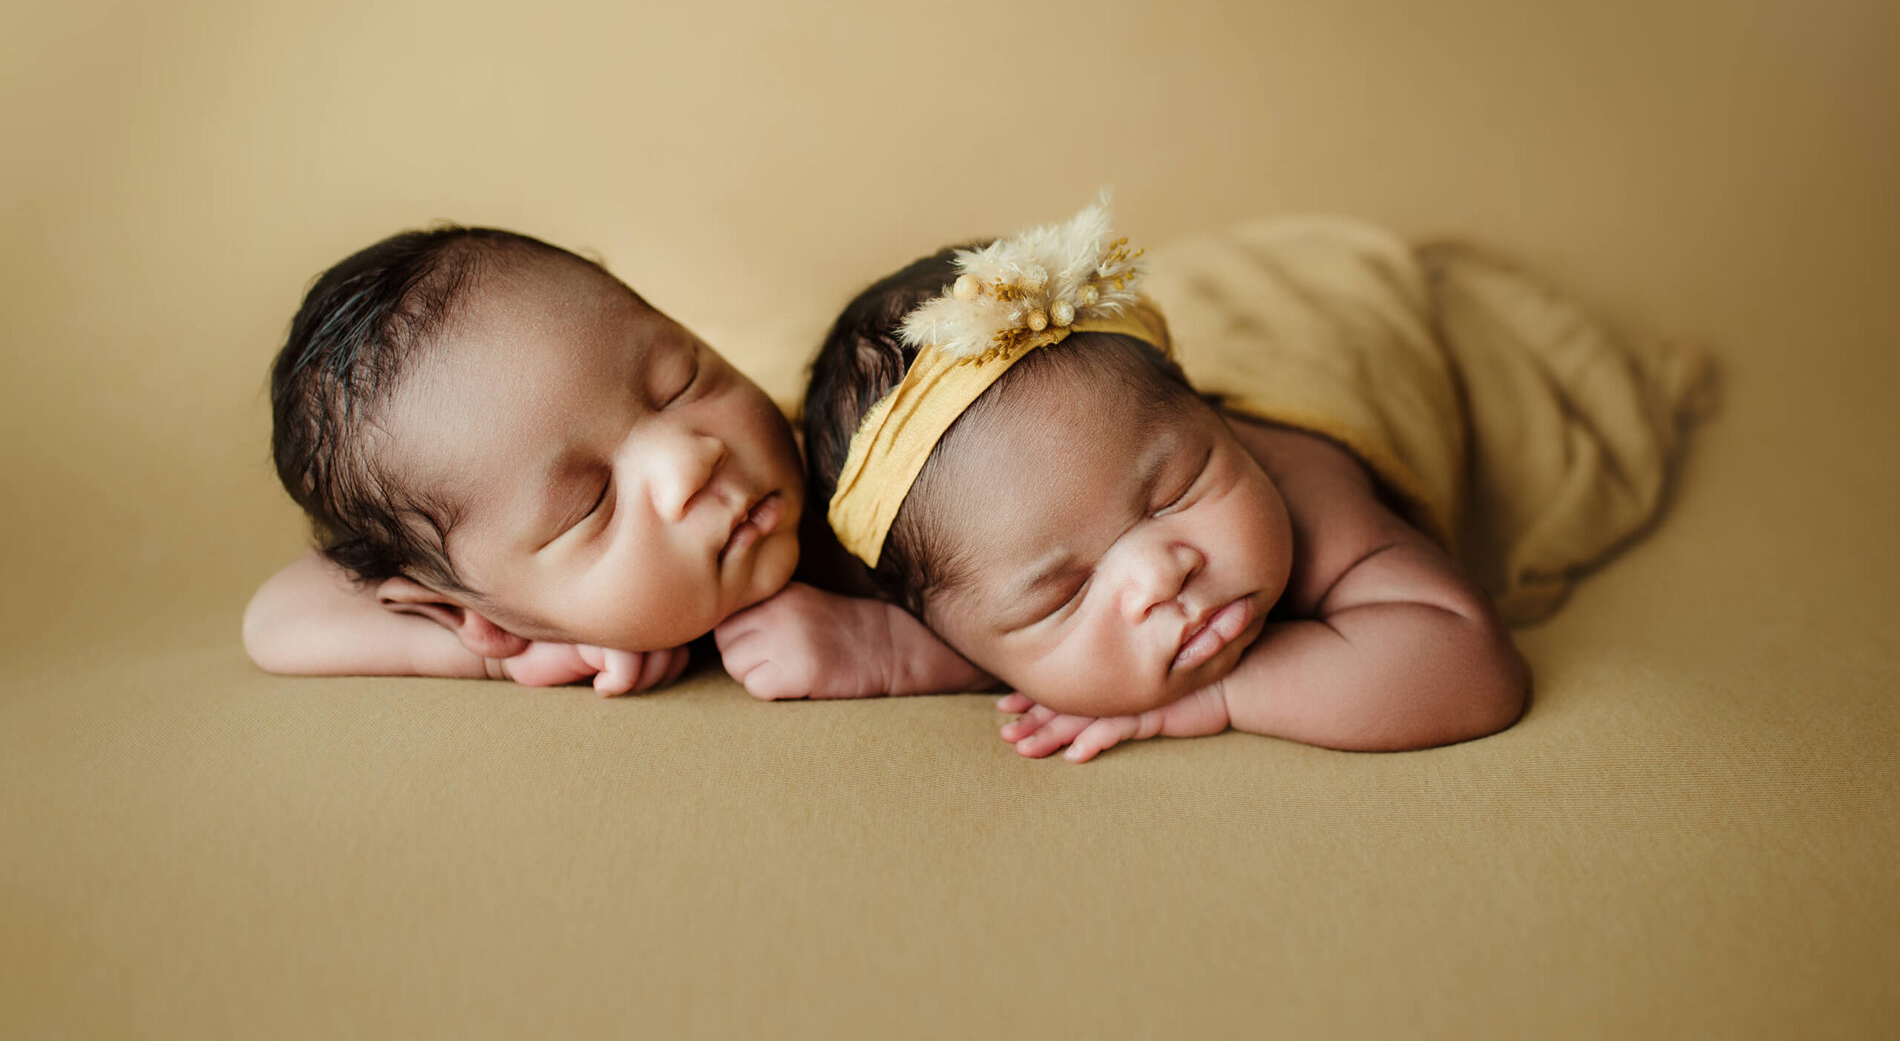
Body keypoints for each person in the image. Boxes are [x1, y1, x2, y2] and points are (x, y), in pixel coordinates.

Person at [772, 198, 1708, 760]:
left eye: (1175, 490)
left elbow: (1474, 669)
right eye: (1063, 594)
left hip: (1332, 327)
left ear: (1211, 421)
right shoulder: (949, 550)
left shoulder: (1310, 504)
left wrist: (1220, 696)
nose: (1160, 572)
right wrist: (894, 655)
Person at [244, 225, 987, 698]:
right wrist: (510, 649)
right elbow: (277, 618)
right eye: (590, 503)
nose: (691, 459)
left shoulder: (878, 477)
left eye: (681, 382)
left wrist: (892, 651)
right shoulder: (512, 609)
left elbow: (1052, 579)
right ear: (472, 611)